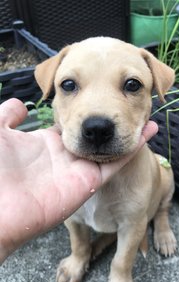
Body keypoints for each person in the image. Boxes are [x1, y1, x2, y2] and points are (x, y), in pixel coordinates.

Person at [0, 98, 158, 264]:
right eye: (70, 85)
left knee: (165, 175)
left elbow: (133, 225)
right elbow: (72, 218)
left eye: (132, 85)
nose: (98, 124)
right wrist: (79, 254)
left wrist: (122, 273)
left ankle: (161, 215)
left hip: (144, 196)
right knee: (74, 216)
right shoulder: (59, 176)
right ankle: (82, 254)